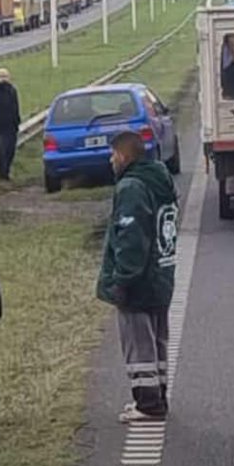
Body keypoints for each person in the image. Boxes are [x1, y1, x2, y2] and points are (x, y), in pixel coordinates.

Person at [97, 130, 179, 422]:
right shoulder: (161, 179)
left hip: (139, 282)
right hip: (162, 276)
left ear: (123, 156)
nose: (110, 160)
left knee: (138, 342)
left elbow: (131, 238)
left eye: (112, 155)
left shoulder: (131, 187)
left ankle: (147, 404)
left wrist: (122, 280)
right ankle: (158, 395)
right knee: (157, 341)